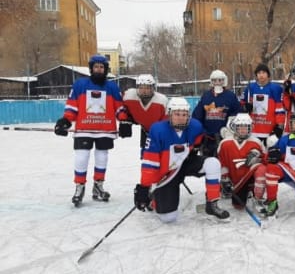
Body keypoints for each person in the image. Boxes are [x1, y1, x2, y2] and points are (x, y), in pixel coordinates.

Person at [133, 97, 230, 223]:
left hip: (185, 163)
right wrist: (144, 187)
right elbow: (150, 163)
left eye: (184, 114)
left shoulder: (194, 126)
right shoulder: (157, 130)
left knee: (213, 163)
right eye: (177, 114)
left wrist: (206, 142)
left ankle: (212, 203)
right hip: (167, 173)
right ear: (169, 114)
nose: (181, 117)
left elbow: (201, 137)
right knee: (168, 218)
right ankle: (154, 199)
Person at [54, 54, 128, 207]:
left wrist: (124, 120)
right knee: (81, 157)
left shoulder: (112, 87)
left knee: (102, 158)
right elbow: (72, 106)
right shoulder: (80, 85)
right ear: (91, 68)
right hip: (84, 129)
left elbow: (119, 107)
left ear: (105, 69)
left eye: (102, 67)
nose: (99, 70)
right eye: (96, 67)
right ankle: (79, 187)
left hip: (105, 130)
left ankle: (98, 186)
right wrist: (66, 120)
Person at [217, 113, 266, 209]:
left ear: (250, 127)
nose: (243, 130)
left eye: (246, 127)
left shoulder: (256, 142)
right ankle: (236, 191)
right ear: (234, 127)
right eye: (240, 127)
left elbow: (266, 160)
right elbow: (221, 162)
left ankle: (258, 197)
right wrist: (224, 178)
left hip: (249, 177)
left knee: (261, 169)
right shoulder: (225, 144)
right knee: (238, 206)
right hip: (235, 181)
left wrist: (258, 157)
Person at [192, 69, 241, 157]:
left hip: (225, 137)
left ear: (224, 81)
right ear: (211, 82)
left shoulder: (230, 96)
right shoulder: (206, 96)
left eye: (220, 80)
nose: (217, 83)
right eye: (215, 80)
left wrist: (230, 130)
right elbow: (197, 115)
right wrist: (201, 132)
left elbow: (237, 114)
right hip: (208, 139)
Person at [240, 63, 286, 146]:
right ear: (256, 75)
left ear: (268, 74)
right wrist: (245, 107)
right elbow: (241, 106)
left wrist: (279, 126)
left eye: (264, 73)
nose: (261, 75)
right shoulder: (250, 88)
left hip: (269, 130)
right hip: (253, 130)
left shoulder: (276, 88)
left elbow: (279, 109)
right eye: (259, 73)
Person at [120, 74, 168, 151]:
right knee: (145, 154)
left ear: (153, 88)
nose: (144, 91)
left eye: (147, 87)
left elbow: (166, 120)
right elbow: (118, 104)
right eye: (141, 87)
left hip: (158, 130)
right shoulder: (129, 95)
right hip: (145, 129)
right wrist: (124, 119)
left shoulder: (162, 100)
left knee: (160, 153)